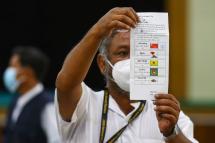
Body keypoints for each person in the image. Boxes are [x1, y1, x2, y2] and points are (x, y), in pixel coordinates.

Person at [55, 7, 198, 143]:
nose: (132, 62)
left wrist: (171, 134)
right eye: (123, 53)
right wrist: (98, 31)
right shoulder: (85, 105)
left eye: (139, 53)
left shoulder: (168, 113)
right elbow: (66, 84)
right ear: (103, 64)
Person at [3, 46, 60, 143]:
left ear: (28, 72)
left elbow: (56, 140)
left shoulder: (47, 105)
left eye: (13, 66)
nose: (9, 71)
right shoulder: (15, 102)